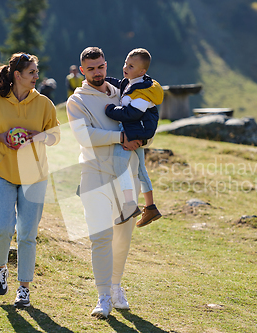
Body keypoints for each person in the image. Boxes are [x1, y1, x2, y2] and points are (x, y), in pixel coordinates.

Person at [66, 47, 145, 319]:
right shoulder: (76, 101)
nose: (97, 73)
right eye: (91, 69)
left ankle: (115, 287)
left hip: (126, 174)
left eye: (100, 67)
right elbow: (83, 136)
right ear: (82, 71)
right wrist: (119, 138)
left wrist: (142, 137)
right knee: (100, 237)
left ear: (105, 64)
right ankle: (102, 296)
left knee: (123, 236)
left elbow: (144, 119)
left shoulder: (123, 93)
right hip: (93, 172)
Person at [0, 53, 60, 307]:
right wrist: (2, 138)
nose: (37, 76)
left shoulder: (44, 103)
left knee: (27, 234)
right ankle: (0, 268)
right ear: (17, 75)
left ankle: (24, 288)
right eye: (32, 72)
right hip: (2, 173)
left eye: (36, 72)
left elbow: (55, 135)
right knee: (2, 229)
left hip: (34, 175)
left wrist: (39, 136)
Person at [105, 48, 164, 227]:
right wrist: (102, 80)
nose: (125, 68)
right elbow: (121, 84)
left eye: (130, 66)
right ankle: (150, 207)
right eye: (125, 63)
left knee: (118, 163)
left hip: (136, 131)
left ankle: (130, 204)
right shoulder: (133, 82)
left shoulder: (144, 92)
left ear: (142, 71)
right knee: (140, 170)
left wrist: (110, 110)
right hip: (135, 131)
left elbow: (132, 113)